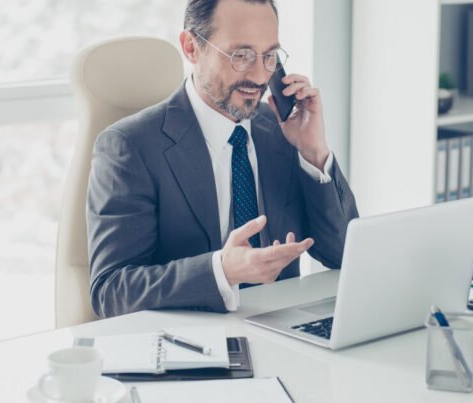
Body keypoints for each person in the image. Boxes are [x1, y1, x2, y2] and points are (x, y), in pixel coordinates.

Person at [86, 0, 358, 318]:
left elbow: (345, 256)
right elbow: (111, 291)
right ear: (191, 48)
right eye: (241, 56)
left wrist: (314, 152)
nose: (259, 76)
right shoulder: (129, 146)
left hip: (285, 332)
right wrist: (221, 270)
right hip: (191, 348)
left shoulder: (283, 130)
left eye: (269, 56)